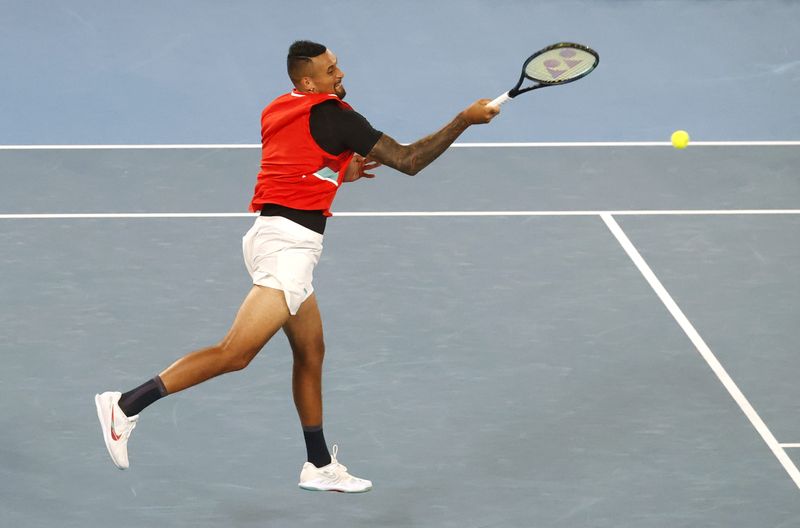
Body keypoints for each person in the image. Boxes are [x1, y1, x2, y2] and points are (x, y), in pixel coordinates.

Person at [94, 40, 499, 493]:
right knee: (236, 353)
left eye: (337, 66)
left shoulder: (278, 108)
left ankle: (319, 464)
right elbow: (408, 160)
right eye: (330, 70)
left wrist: (334, 172)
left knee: (310, 350)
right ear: (308, 81)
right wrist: (465, 120)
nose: (339, 74)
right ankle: (127, 404)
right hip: (288, 248)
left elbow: (293, 160)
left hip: (271, 237)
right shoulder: (336, 116)